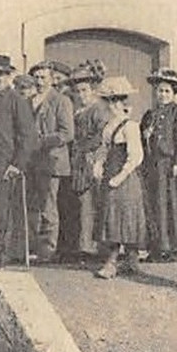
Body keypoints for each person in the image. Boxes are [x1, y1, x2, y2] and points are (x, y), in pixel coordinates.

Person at [0, 54, 40, 270]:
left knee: (3, 213)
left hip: (4, 165)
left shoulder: (16, 101)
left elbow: (28, 136)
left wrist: (17, 164)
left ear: (9, 76)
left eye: (0, 74)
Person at [91, 76, 146, 280]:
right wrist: (98, 164)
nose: (108, 106)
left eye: (111, 101)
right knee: (111, 217)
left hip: (125, 180)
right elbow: (104, 149)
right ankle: (129, 261)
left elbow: (136, 157)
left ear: (118, 103)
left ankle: (115, 262)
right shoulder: (108, 126)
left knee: (123, 218)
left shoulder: (130, 126)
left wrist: (119, 177)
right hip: (110, 175)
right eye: (107, 102)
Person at [140, 69, 177, 262]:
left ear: (173, 94)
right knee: (156, 206)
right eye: (160, 91)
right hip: (154, 166)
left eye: (166, 91)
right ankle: (158, 247)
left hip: (172, 166)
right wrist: (146, 137)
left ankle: (176, 248)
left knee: (174, 206)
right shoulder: (149, 115)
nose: (162, 95)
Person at [27, 60, 74, 263]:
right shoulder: (29, 100)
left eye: (43, 77)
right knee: (33, 205)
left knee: (48, 206)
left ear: (52, 79)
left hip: (51, 161)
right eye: (36, 78)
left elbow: (67, 133)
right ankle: (33, 246)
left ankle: (48, 250)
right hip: (31, 162)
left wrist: (42, 141)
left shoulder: (61, 101)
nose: (39, 82)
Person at [64, 61, 110, 262]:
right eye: (77, 91)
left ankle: (92, 247)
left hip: (91, 159)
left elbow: (101, 136)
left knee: (90, 203)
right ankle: (81, 245)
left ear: (92, 90)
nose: (81, 95)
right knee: (79, 203)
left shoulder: (98, 109)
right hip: (78, 160)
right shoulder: (77, 110)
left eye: (84, 90)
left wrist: (83, 147)